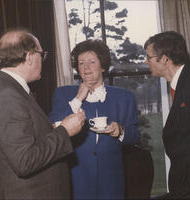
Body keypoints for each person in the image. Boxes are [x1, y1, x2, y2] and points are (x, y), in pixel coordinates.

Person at [0, 29, 86, 200]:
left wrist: (52, 129)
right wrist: (64, 131)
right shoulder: (7, 95)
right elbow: (24, 161)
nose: (42, 60)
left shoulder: (6, 88)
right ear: (29, 57)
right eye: (41, 55)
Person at [49, 39, 140, 199]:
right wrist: (78, 98)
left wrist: (120, 131)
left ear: (103, 66)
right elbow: (53, 127)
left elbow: (134, 136)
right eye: (81, 63)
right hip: (76, 177)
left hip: (112, 181)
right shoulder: (63, 94)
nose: (86, 68)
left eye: (92, 62)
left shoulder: (124, 97)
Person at [144, 31, 190, 199]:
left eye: (149, 57)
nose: (146, 62)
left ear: (165, 59)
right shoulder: (180, 84)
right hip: (186, 185)